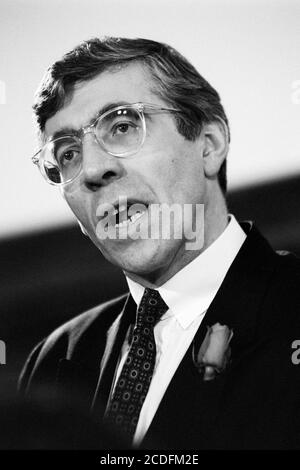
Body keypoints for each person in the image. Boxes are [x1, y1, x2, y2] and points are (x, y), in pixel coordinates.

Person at [19, 37, 300, 450]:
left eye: (122, 126)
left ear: (210, 144)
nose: (93, 169)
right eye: (67, 154)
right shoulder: (54, 361)